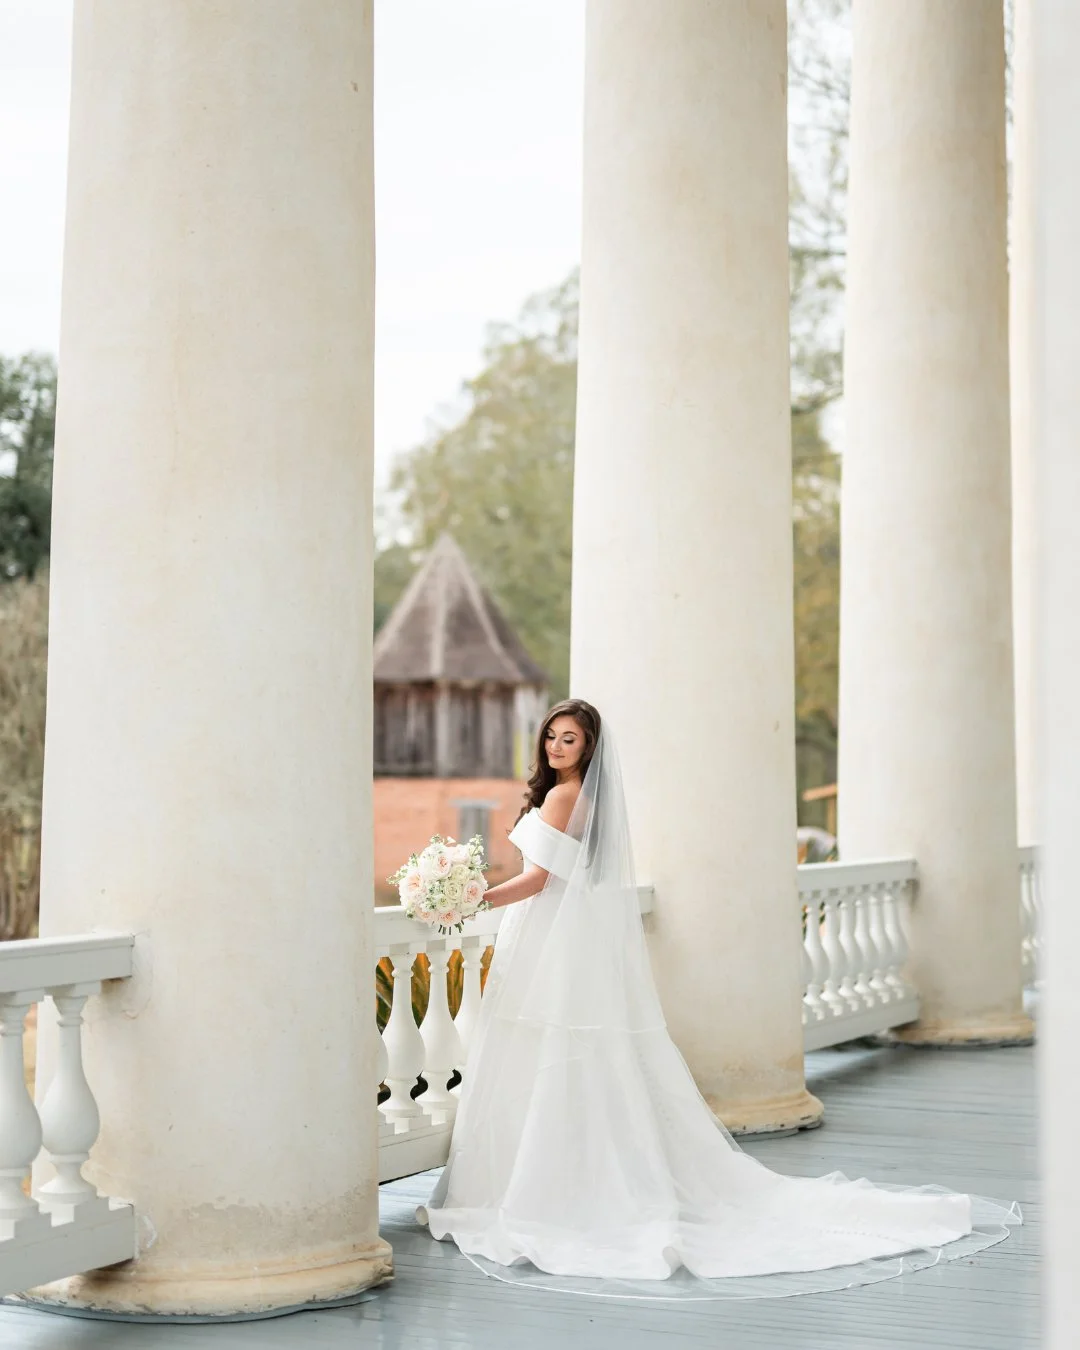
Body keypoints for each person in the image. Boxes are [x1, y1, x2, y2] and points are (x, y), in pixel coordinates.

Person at [418, 699, 1020, 1299]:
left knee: (545, 1046)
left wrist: (470, 900)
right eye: (551, 735)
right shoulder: (588, 800)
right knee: (572, 1053)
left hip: (548, 933)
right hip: (565, 935)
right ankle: (576, 1174)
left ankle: (545, 1184)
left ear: (589, 747)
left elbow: (539, 879)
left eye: (569, 739)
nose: (555, 746)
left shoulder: (562, 797)